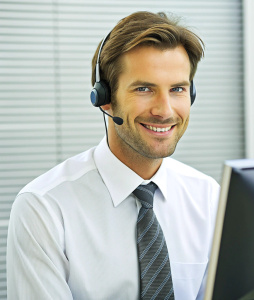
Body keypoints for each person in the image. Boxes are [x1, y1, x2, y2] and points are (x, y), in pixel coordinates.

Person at [7, 11, 220, 300]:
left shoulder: (208, 197)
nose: (166, 110)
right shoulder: (44, 209)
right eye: (144, 89)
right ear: (104, 99)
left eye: (178, 89)